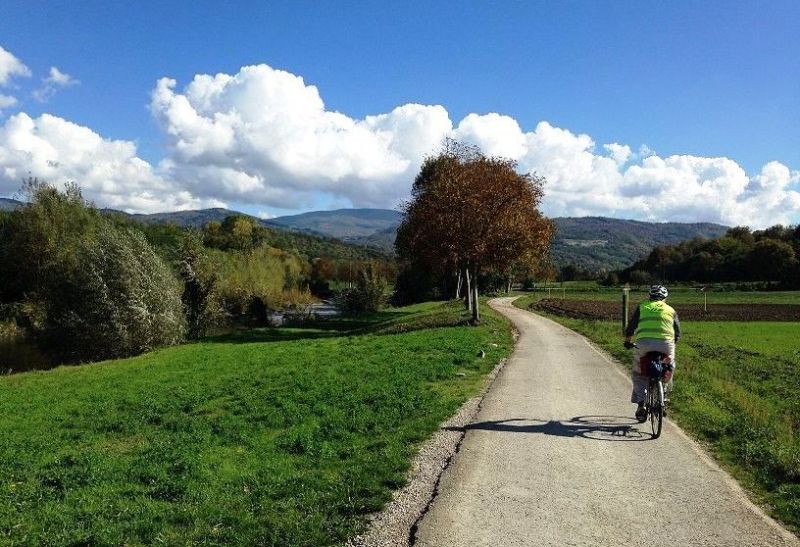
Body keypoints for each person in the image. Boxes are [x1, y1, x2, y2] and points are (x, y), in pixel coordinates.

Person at [623, 284, 681, 422]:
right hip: (666, 344)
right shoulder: (670, 310)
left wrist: (627, 341)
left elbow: (631, 326)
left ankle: (641, 404)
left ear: (650, 296)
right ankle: (664, 394)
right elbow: (678, 332)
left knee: (639, 373)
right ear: (665, 298)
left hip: (644, 344)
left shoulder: (642, 307)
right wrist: (672, 344)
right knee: (669, 366)